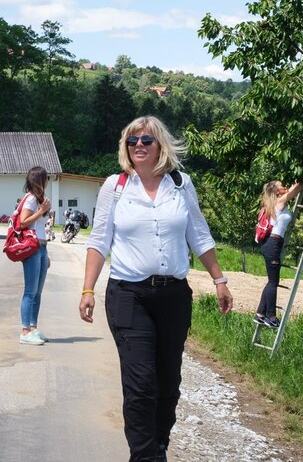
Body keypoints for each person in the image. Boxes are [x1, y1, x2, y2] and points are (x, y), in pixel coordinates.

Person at [78, 116, 233, 461]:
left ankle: (158, 444)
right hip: (128, 296)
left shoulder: (181, 184)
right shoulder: (115, 186)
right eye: (132, 142)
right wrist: (87, 289)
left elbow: (199, 234)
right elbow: (99, 240)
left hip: (174, 297)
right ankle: (146, 457)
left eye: (146, 140)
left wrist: (219, 279)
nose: (138, 147)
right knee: (141, 385)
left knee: (167, 384)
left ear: (160, 145)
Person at [254, 179, 303, 329]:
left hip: (270, 244)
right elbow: (300, 186)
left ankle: (260, 314)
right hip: (273, 244)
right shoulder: (280, 202)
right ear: (276, 191)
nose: (285, 186)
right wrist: (302, 175)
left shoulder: (269, 206)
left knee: (271, 281)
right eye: (281, 185)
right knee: (273, 282)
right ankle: (271, 316)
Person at [17, 166, 52, 345]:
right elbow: (23, 223)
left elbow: (40, 227)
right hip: (32, 248)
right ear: (40, 180)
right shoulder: (31, 199)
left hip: (42, 246)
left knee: (38, 292)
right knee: (30, 291)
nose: (48, 181)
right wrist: (40, 211)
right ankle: (25, 331)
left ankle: (33, 328)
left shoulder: (39, 200)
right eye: (46, 178)